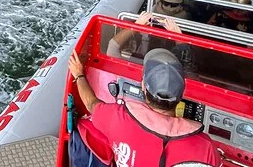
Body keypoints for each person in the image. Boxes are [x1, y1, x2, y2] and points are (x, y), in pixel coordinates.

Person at [68, 17, 219, 167]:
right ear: (182, 92)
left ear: (143, 87)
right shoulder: (205, 147)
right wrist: (180, 38)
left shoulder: (118, 118)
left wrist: (79, 74)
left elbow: (91, 104)